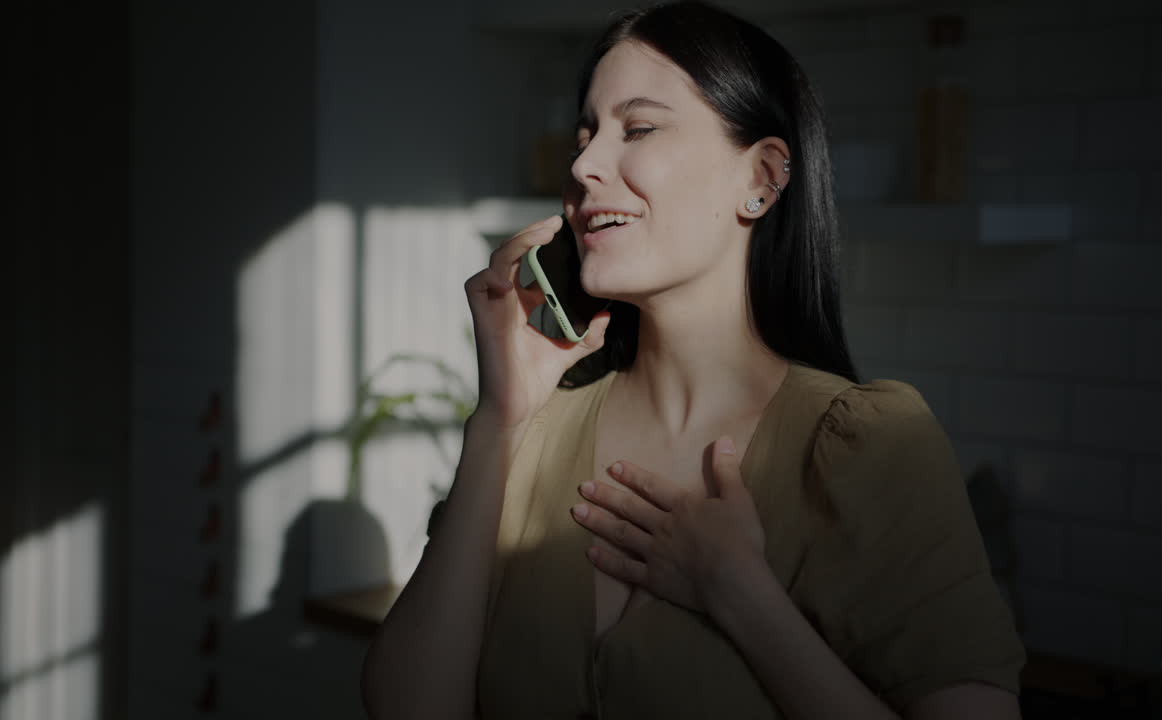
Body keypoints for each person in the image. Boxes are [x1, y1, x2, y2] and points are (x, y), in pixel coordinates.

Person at [361, 2, 1026, 718]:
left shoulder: (870, 444)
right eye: (584, 136)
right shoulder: (529, 436)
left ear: (762, 179)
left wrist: (742, 597)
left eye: (638, 129)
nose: (584, 164)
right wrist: (497, 421)